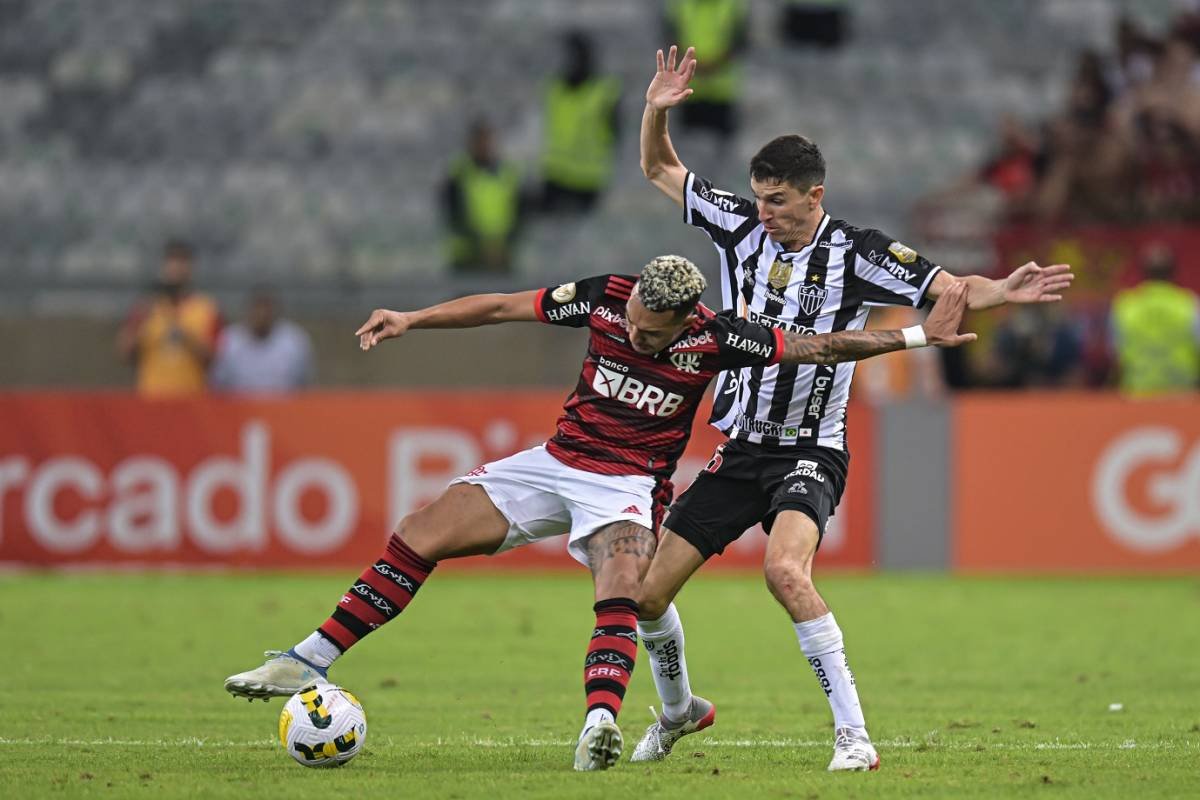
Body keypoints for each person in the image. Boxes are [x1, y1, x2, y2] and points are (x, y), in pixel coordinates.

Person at [224, 254, 977, 772]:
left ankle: (600, 723)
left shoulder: (718, 338)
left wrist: (916, 334)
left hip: (626, 484)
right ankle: (309, 657)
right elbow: (501, 306)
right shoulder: (608, 296)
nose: (636, 330)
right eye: (637, 315)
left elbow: (820, 347)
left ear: (686, 320)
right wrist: (413, 318)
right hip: (556, 461)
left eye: (654, 327)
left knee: (623, 580)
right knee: (422, 530)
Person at [630, 46, 1076, 772]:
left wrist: (1002, 289)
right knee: (646, 596)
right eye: (759, 197)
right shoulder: (739, 226)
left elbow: (946, 289)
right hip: (741, 444)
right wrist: (656, 108)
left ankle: (853, 737)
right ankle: (679, 711)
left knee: (785, 573)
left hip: (811, 448)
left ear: (815, 194)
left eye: (777, 200)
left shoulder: (859, 252)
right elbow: (659, 168)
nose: (763, 212)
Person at [116, 240, 221, 397]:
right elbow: (125, 354)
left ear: (191, 267)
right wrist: (140, 321)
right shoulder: (147, 306)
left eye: (182, 261)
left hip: (191, 402)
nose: (176, 268)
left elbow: (213, 359)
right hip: (152, 400)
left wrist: (184, 334)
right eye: (171, 261)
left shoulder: (206, 309)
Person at [538, 30, 622, 214]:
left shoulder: (606, 93)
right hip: (556, 174)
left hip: (588, 179)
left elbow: (616, 133)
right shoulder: (555, 89)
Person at [1110, 243, 1200, 395]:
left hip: (1137, 394)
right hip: (1182, 394)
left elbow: (1115, 351)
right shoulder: (1189, 304)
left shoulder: (1125, 305)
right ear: (1173, 272)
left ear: (1143, 272)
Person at [443, 119, 523, 273]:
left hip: (502, 256)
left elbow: (520, 214)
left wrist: (504, 245)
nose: (484, 145)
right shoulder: (459, 174)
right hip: (467, 257)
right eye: (480, 140)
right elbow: (455, 215)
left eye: (488, 140)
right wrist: (484, 246)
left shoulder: (509, 174)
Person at [662, 0, 747, 145]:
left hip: (721, 92)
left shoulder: (733, 5)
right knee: (688, 150)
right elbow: (670, 38)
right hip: (689, 93)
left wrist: (712, 65)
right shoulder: (679, 5)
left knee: (721, 149)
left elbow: (740, 41)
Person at [210, 287, 314, 393]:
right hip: (240, 407)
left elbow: (304, 386)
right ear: (248, 310)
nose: (262, 314)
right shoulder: (229, 340)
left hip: (283, 407)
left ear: (276, 311)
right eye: (257, 308)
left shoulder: (295, 341)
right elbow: (218, 385)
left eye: (267, 308)